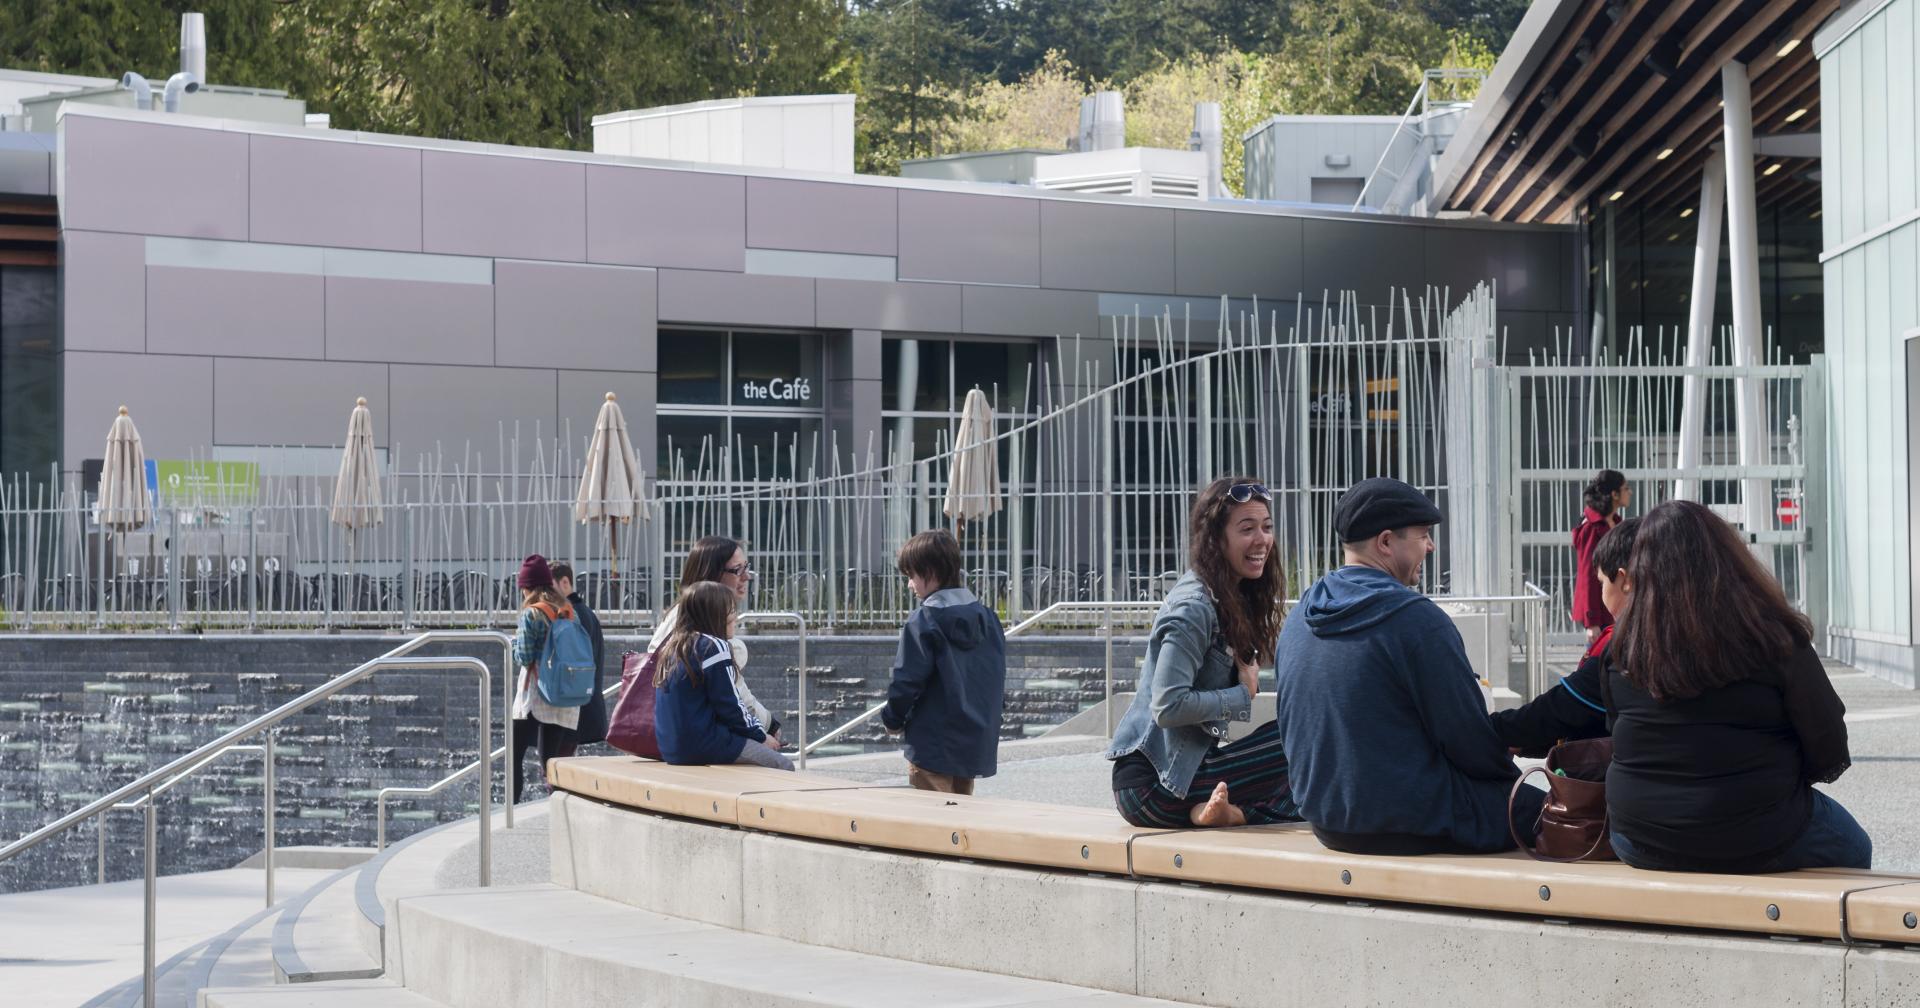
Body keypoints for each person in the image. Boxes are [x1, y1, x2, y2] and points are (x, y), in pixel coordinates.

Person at [1597, 499, 1867, 873]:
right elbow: (1827, 738)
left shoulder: (1623, 650)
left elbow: (1620, 737)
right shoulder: (1773, 638)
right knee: (1855, 846)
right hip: (1758, 832)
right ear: (1726, 558)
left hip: (1639, 838)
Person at [1273, 477, 1538, 854]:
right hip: (1412, 820)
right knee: (1549, 806)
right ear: (1385, 542)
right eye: (1424, 535)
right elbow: (1468, 740)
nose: (1430, 546)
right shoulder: (1416, 620)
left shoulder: (1298, 618)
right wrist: (1509, 776)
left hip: (1327, 823)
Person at [1106, 477, 1300, 829]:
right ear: (1216, 538)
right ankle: (1227, 812)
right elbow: (1167, 705)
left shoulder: (1228, 597)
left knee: (1310, 776)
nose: (1262, 540)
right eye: (1247, 529)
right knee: (1302, 734)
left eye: (1267, 527)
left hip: (1185, 777)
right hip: (1152, 787)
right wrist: (1243, 693)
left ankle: (1222, 813)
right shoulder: (1194, 607)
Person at [1491, 518, 1638, 755]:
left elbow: (1563, 708)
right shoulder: (1700, 636)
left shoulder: (1626, 645)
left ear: (1625, 580)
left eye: (1602, 583)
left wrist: (1488, 729)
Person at [880, 529, 1007, 794]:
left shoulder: (924, 621)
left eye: (911, 575)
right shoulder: (988, 619)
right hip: (973, 741)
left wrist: (892, 719)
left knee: (932, 825)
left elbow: (906, 681)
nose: (909, 584)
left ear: (931, 572)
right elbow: (995, 678)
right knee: (960, 826)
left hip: (932, 743)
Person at [648, 536, 781, 748]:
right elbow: (732, 696)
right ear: (711, 574)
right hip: (699, 741)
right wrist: (768, 725)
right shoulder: (701, 627)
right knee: (780, 767)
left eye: (746, 567)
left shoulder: (681, 612)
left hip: (674, 736)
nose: (747, 576)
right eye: (737, 570)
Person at [652, 581, 793, 770]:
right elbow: (730, 705)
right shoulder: (713, 646)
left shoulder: (673, 648)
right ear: (715, 614)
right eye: (730, 610)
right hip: (705, 744)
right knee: (783, 765)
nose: (735, 617)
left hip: (671, 749)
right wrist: (761, 736)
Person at [509, 554, 579, 801]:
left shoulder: (532, 614)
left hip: (538, 693)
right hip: (565, 693)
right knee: (551, 759)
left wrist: (516, 645)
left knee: (514, 756)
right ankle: (557, 806)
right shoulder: (568, 610)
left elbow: (525, 656)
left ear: (527, 587)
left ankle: (512, 808)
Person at [549, 562, 609, 748]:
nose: (546, 595)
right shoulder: (585, 613)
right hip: (585, 710)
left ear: (565, 582)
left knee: (557, 767)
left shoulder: (573, 616)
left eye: (550, 588)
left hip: (575, 713)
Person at [1572, 469, 1630, 643]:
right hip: (1600, 614)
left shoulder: (1617, 523)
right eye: (1626, 488)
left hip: (1615, 607)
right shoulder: (1591, 527)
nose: (1630, 492)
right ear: (1614, 494)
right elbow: (1587, 575)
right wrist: (1592, 622)